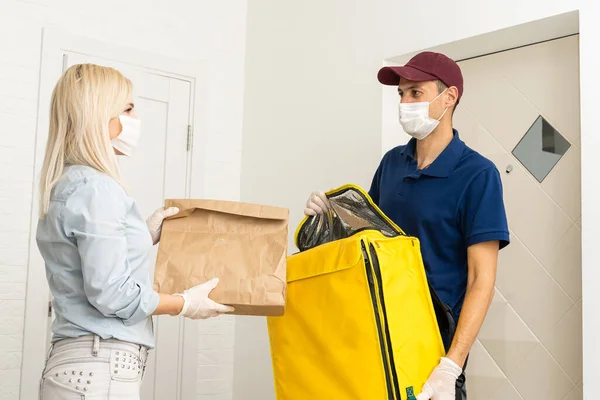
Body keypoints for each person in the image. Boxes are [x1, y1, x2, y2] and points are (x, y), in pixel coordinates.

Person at [305, 51, 510, 400]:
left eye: (415, 92)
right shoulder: (391, 163)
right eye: (401, 93)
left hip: (433, 343)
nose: (404, 102)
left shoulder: (477, 174)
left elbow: (481, 280)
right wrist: (328, 220)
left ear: (449, 97)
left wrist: (451, 364)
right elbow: (367, 242)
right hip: (378, 328)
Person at [36, 63, 233, 399]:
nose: (135, 119)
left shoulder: (71, 183)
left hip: (84, 368)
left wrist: (143, 235)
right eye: (127, 108)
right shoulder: (98, 189)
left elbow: (92, 261)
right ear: (98, 116)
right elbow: (112, 294)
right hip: (99, 370)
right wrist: (184, 303)